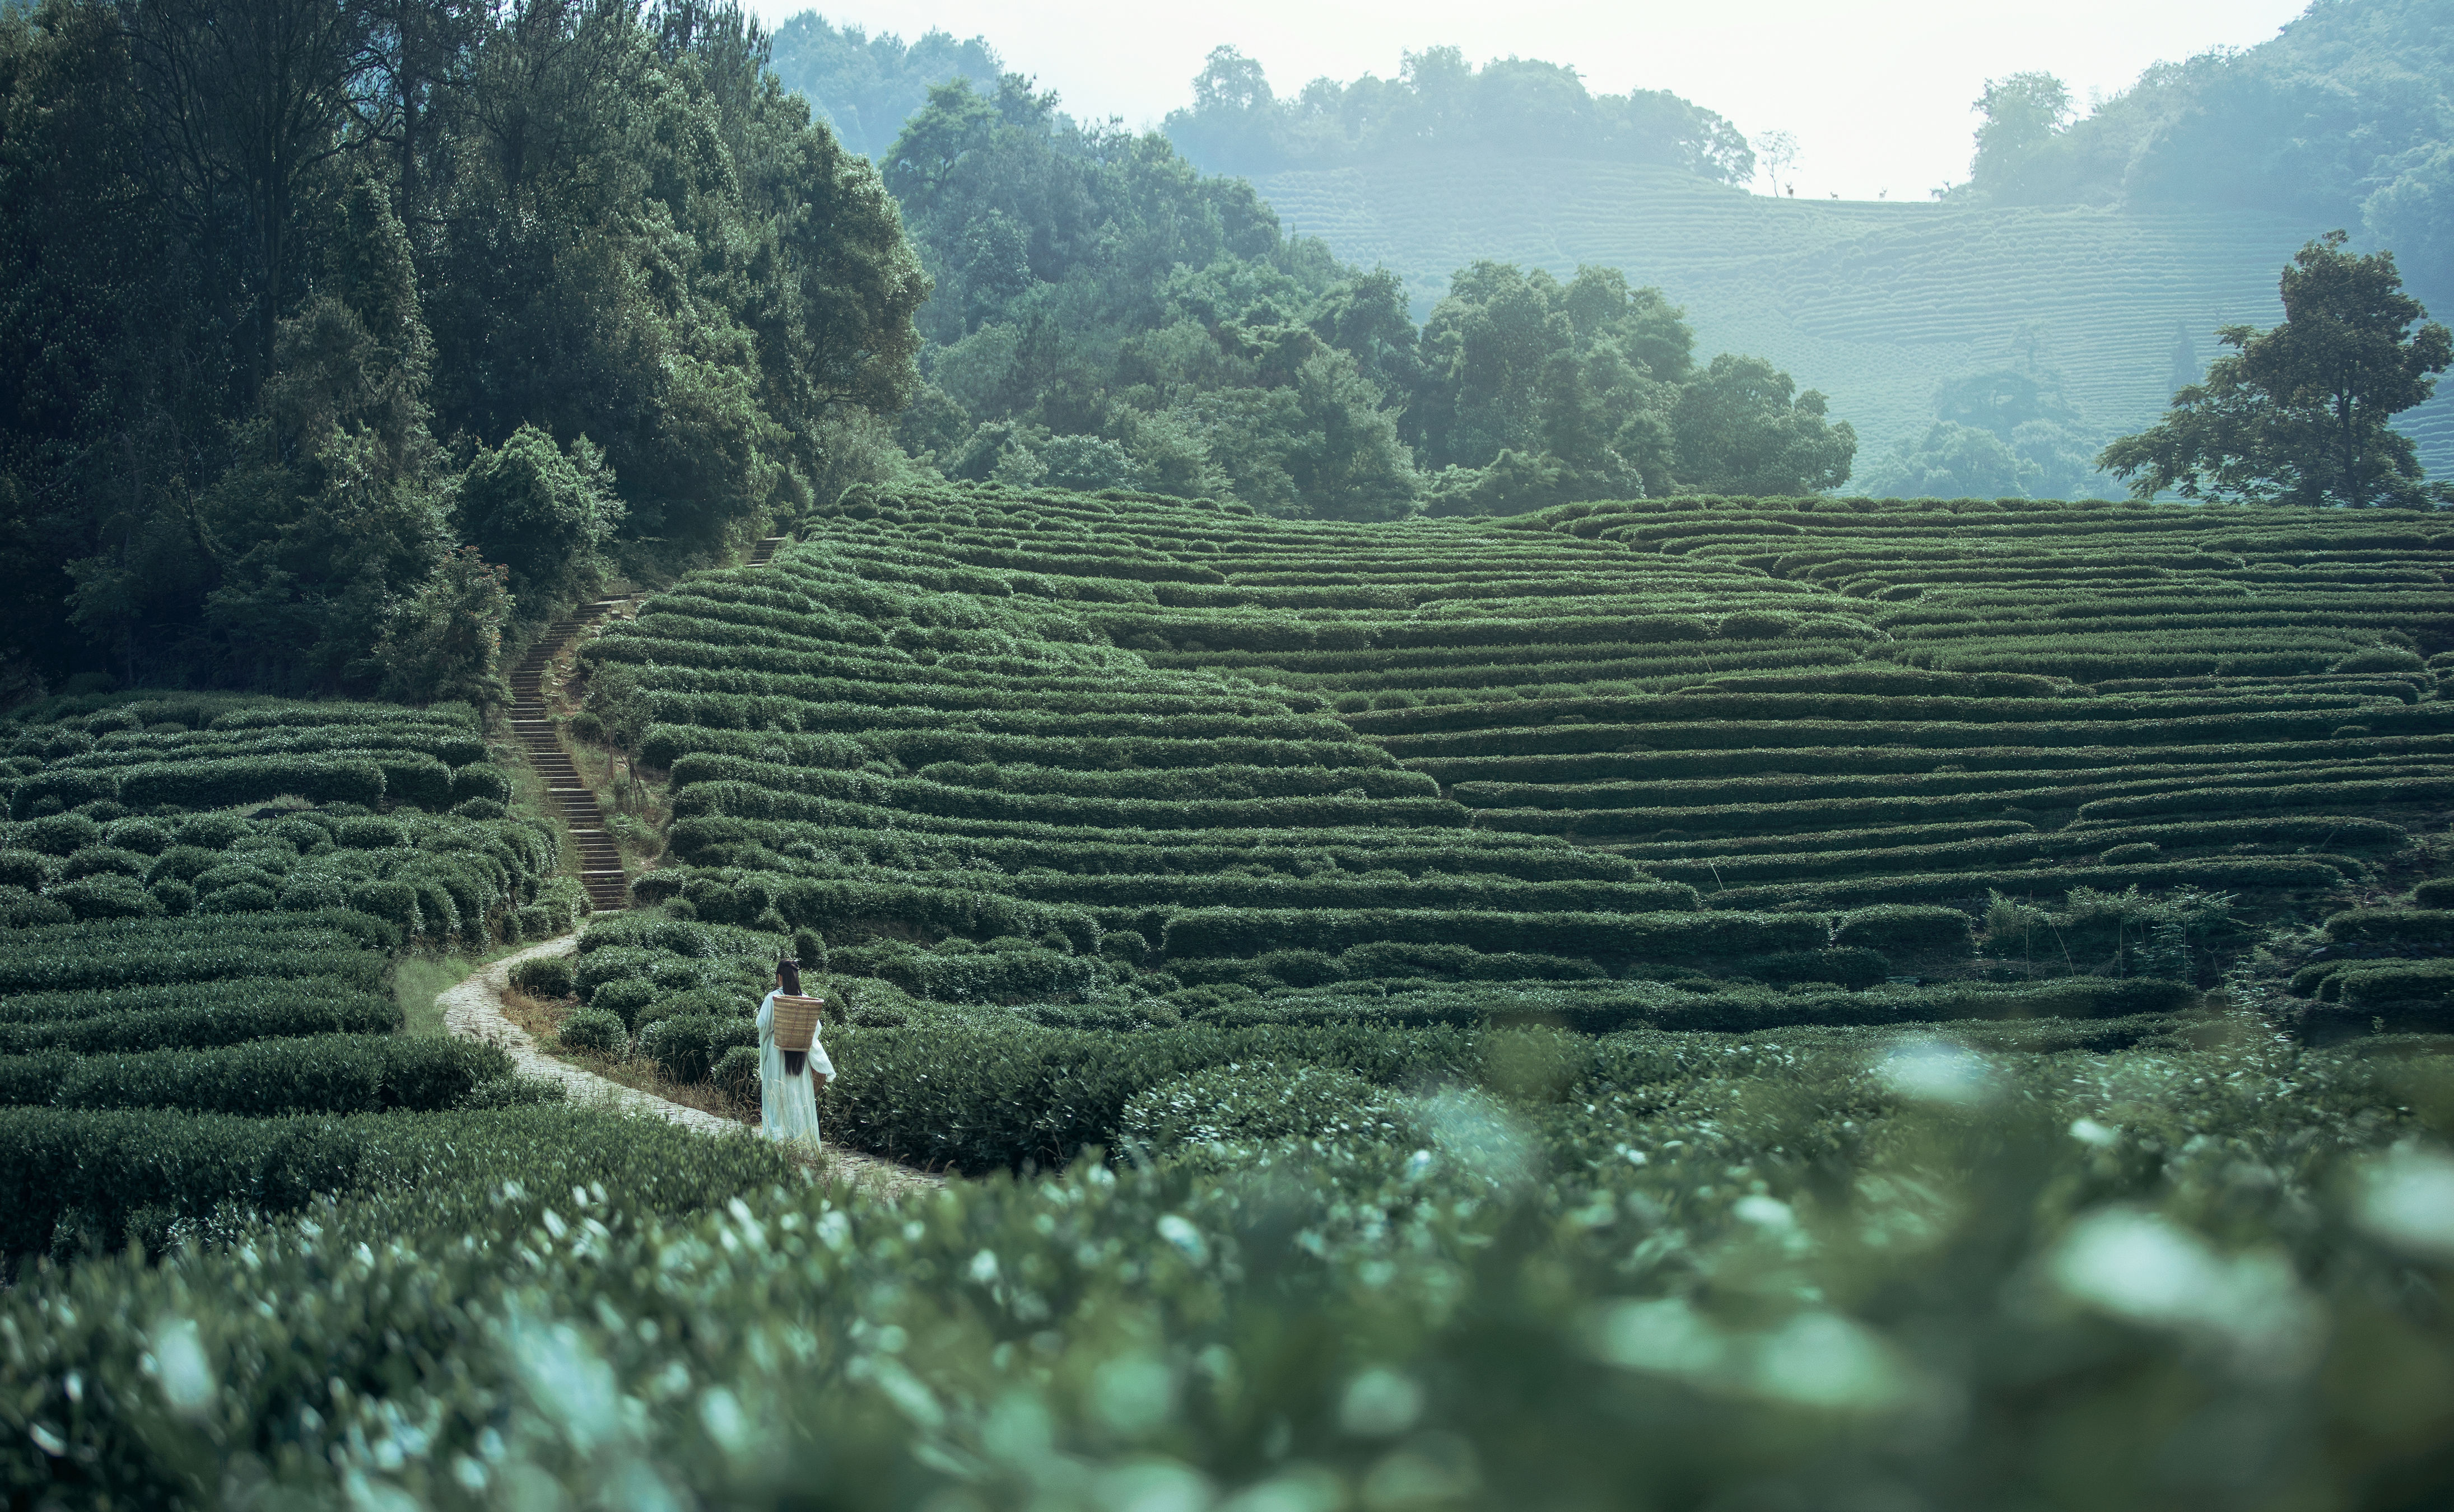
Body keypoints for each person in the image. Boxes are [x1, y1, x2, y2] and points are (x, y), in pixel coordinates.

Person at [755, 956, 832, 1146]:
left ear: (780, 977)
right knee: (797, 1097)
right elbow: (816, 1029)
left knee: (777, 1099)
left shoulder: (773, 998)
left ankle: (777, 1142)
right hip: (799, 1057)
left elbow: (762, 1024)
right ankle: (800, 1141)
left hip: (776, 1053)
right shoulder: (805, 999)